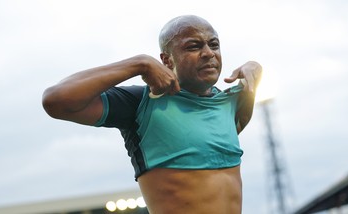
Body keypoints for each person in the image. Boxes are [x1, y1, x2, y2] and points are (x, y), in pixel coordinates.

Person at [42, 15, 262, 214]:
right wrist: (139, 64)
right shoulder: (141, 103)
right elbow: (56, 100)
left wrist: (256, 68)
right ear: (167, 61)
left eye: (214, 45)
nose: (208, 53)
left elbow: (249, 88)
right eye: (193, 46)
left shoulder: (229, 104)